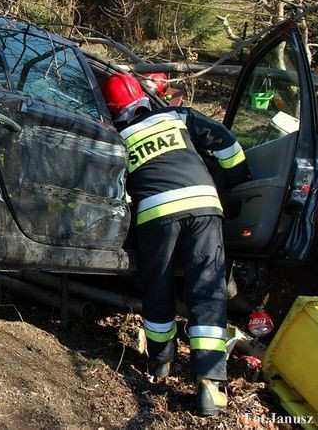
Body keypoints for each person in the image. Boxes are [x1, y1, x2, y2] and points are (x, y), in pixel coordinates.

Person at [100, 72, 251, 416]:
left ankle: (160, 365)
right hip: (202, 208)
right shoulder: (177, 115)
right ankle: (209, 385)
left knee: (158, 289)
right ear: (143, 97)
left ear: (113, 110)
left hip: (155, 217)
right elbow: (224, 142)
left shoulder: (118, 137)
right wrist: (237, 179)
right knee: (207, 290)